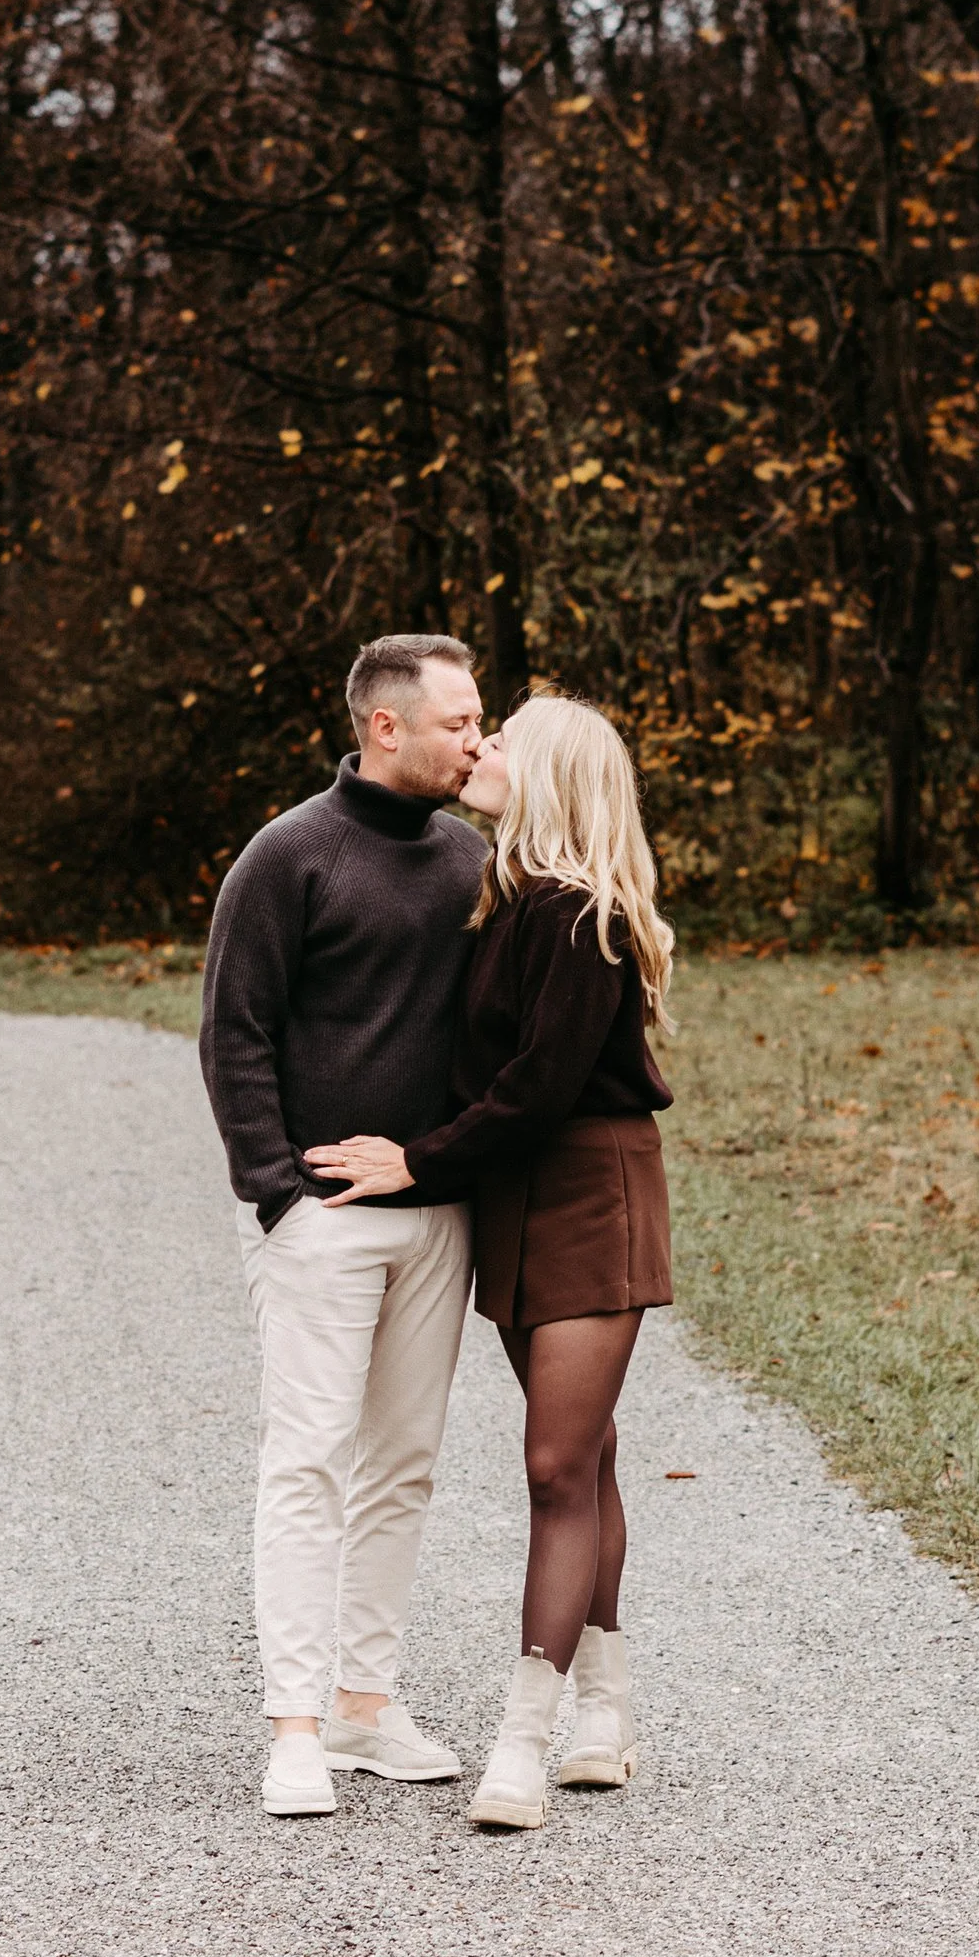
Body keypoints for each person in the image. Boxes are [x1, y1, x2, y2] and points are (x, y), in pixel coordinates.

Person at [306, 694, 673, 1834]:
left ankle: (523, 1739)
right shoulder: (508, 900)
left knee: (555, 1466)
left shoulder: (585, 919)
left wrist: (411, 1163)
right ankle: (606, 1713)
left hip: (585, 1192)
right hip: (511, 1192)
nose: (481, 748)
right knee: (588, 1458)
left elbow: (529, 1096)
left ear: (552, 774)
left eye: (502, 737)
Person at [197, 634, 489, 1818]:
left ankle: (369, 1706)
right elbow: (233, 1031)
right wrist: (278, 1193)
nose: (478, 741)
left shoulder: (472, 856)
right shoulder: (288, 855)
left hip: (439, 1215)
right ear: (386, 727)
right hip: (318, 1222)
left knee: (404, 1467)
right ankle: (296, 1728)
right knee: (308, 1463)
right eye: (460, 723)